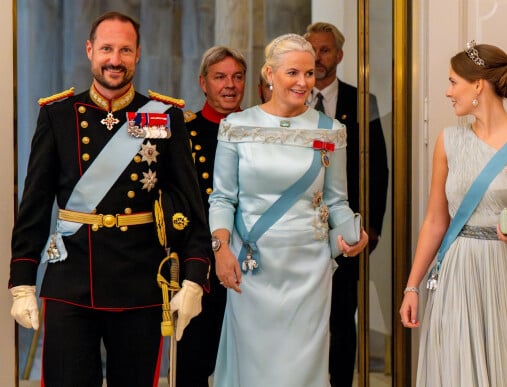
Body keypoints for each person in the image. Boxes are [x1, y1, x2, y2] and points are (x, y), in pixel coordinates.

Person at [8, 11, 211, 387]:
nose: (114, 59)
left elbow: (191, 206)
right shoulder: (58, 115)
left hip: (141, 283)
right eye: (106, 49)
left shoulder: (165, 116)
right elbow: (34, 206)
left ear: (137, 54)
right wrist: (22, 282)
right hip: (71, 282)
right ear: (89, 50)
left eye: (124, 50)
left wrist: (195, 277)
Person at [399, 41, 507, 386]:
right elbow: (436, 220)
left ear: (478, 84)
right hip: (458, 273)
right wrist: (412, 287)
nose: (448, 92)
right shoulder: (447, 140)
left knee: (506, 368)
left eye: (453, 82)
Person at [208, 33, 368, 387]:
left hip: (309, 268)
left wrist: (351, 234)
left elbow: (337, 201)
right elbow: (222, 198)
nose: (303, 82)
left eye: (309, 74)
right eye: (293, 72)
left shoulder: (330, 130)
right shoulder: (236, 126)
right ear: (269, 73)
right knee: (254, 365)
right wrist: (221, 250)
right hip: (251, 264)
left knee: (302, 369)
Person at [304, 21, 389, 386]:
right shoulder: (290, 98)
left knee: (342, 317)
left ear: (339, 55)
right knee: (303, 319)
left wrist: (370, 229)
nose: (318, 58)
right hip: (297, 229)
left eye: (325, 50)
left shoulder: (362, 101)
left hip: (346, 233)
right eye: (313, 50)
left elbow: (378, 171)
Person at [176, 45, 246, 387]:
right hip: (199, 263)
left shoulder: (257, 130)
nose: (229, 85)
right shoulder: (184, 133)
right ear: (203, 83)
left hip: (250, 265)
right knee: (193, 363)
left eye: (237, 77)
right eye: (220, 77)